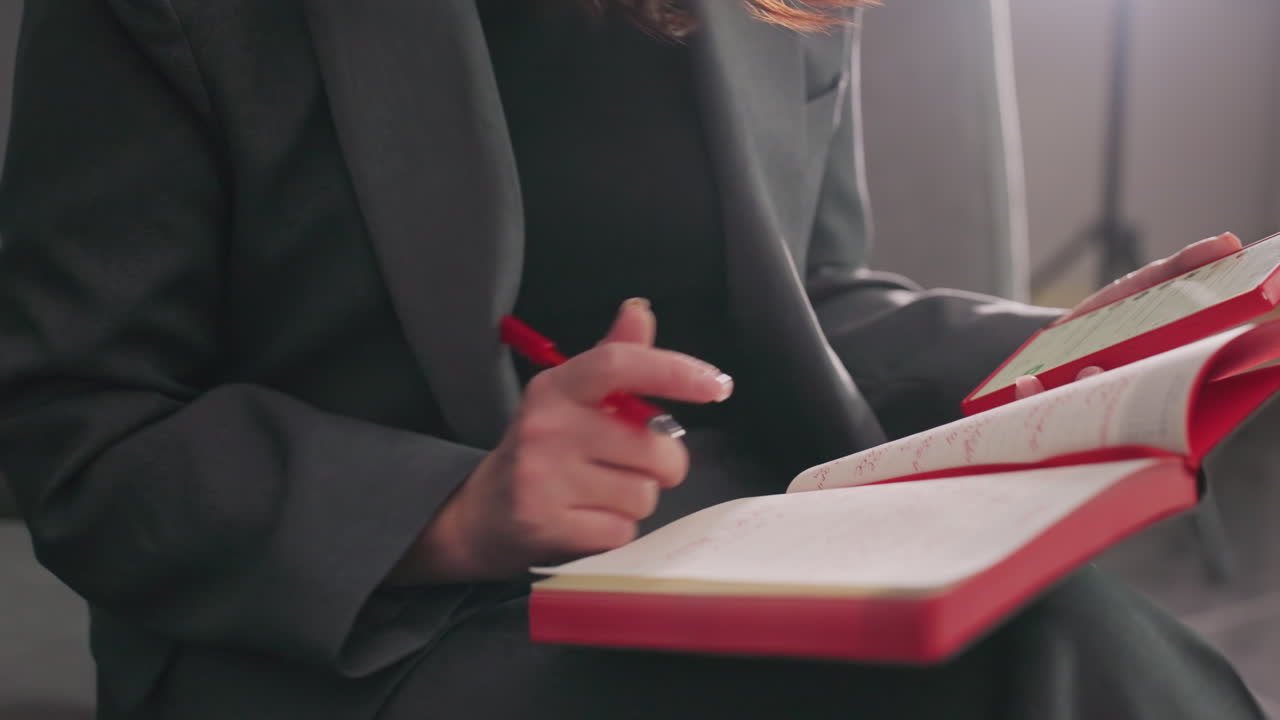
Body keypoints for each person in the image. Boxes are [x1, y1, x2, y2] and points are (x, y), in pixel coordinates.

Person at [0, 1, 1265, 718]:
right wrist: (454, 512)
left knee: (1071, 650)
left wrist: (1054, 352)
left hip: (737, 554)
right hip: (364, 633)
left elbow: (805, 300)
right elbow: (77, 429)